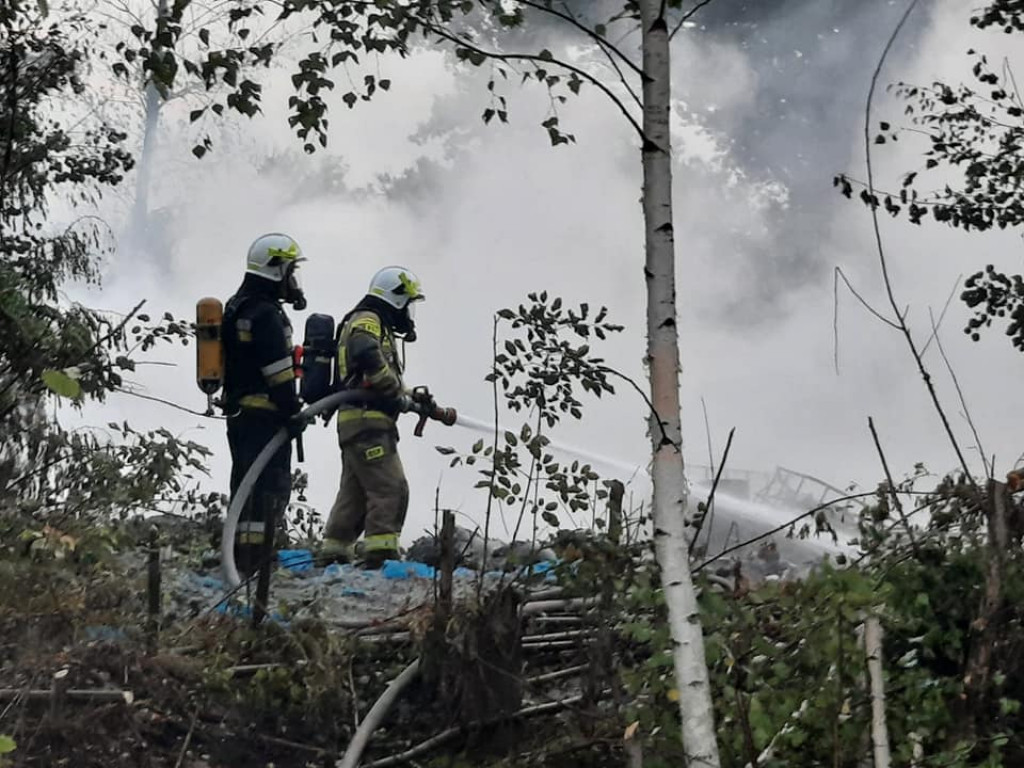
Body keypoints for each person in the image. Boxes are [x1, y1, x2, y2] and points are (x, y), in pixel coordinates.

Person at [321, 266, 425, 569]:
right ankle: (380, 557)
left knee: (353, 492)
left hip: (355, 421)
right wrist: (393, 389)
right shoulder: (369, 319)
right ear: (396, 299)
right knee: (391, 487)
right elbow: (366, 352)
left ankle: (334, 553)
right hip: (369, 421)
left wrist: (410, 397)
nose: (409, 311)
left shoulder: (368, 320)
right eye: (408, 302)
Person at [222, 232, 308, 581]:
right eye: (290, 271)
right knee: (269, 488)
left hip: (240, 415)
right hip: (266, 418)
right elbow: (279, 375)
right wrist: (293, 413)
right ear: (276, 270)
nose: (293, 280)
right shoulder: (269, 316)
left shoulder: (236, 306)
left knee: (245, 483)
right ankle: (257, 561)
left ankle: (242, 555)